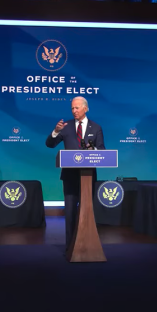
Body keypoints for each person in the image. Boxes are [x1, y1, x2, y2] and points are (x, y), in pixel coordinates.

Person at [46, 96, 105, 250]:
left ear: (86, 108)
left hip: (88, 175)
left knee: (87, 210)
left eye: (77, 108)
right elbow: (50, 144)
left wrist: (95, 150)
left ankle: (87, 244)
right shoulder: (65, 126)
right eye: (72, 108)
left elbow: (102, 150)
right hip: (70, 176)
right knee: (71, 212)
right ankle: (71, 246)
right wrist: (55, 131)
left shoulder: (96, 127)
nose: (74, 111)